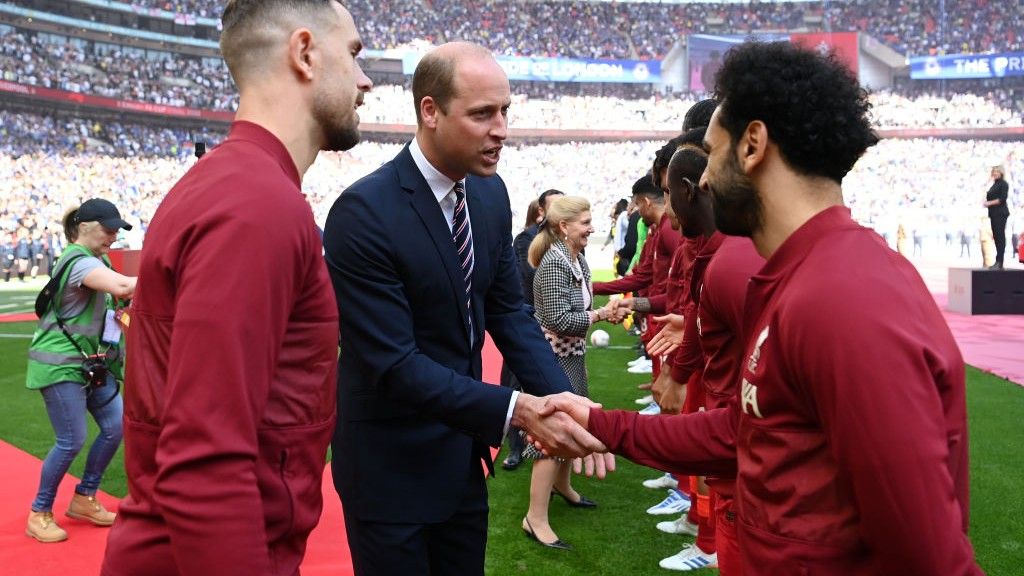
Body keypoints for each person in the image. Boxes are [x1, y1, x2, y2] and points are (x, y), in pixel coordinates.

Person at [541, 41, 983, 575]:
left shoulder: (843, 298)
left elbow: (930, 555)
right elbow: (746, 431)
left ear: (752, 145)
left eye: (712, 151)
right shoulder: (797, 274)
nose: (701, 180)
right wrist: (605, 423)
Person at [100, 1, 372, 574]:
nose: (365, 80)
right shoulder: (256, 204)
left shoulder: (234, 183)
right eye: (354, 54)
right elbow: (205, 462)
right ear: (304, 53)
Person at [322, 41, 610, 576]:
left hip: (460, 460)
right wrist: (515, 411)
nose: (501, 128)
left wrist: (563, 398)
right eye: (482, 114)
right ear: (430, 111)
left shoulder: (489, 194)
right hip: (390, 470)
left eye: (504, 111)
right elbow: (393, 363)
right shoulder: (363, 213)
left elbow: (509, 313)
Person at [25, 198, 136, 543]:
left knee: (115, 426)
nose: (114, 235)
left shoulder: (96, 259)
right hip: (60, 364)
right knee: (71, 439)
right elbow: (122, 287)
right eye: (108, 228)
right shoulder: (76, 261)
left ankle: (85, 498)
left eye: (117, 229)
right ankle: (39, 512)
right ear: (83, 226)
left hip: (89, 364)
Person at [520, 195, 619, 550]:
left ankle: (563, 487)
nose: (592, 229)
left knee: (573, 425)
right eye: (585, 223)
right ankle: (535, 518)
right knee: (551, 436)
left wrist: (598, 313)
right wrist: (600, 316)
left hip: (570, 356)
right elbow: (561, 320)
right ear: (564, 227)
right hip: (553, 359)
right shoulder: (553, 264)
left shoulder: (576, 259)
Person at [501, 188, 565, 471]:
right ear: (541, 211)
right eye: (555, 205)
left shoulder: (567, 241)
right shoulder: (525, 240)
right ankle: (514, 448)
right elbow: (524, 275)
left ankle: (551, 447)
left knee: (554, 386)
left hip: (557, 329)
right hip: (527, 322)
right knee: (516, 385)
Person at [984, 164, 1010, 269]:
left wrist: (989, 203)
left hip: (1000, 213)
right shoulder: (994, 184)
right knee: (997, 237)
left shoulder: (1003, 184)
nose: (995, 173)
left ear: (1001, 172)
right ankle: (998, 261)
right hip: (994, 214)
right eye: (993, 171)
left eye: (997, 171)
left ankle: (1000, 261)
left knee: (1000, 237)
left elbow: (1002, 199)